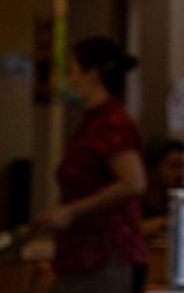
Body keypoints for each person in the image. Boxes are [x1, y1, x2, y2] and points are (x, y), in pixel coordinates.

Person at [34, 38, 147, 293]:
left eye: (72, 70)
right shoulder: (92, 122)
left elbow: (134, 182)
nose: (69, 79)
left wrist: (72, 210)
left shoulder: (111, 122)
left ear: (92, 75)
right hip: (81, 255)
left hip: (104, 256)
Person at [141, 137, 184, 240]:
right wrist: (166, 222)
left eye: (183, 166)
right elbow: (134, 231)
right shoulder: (134, 202)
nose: (181, 173)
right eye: (174, 166)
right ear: (151, 169)